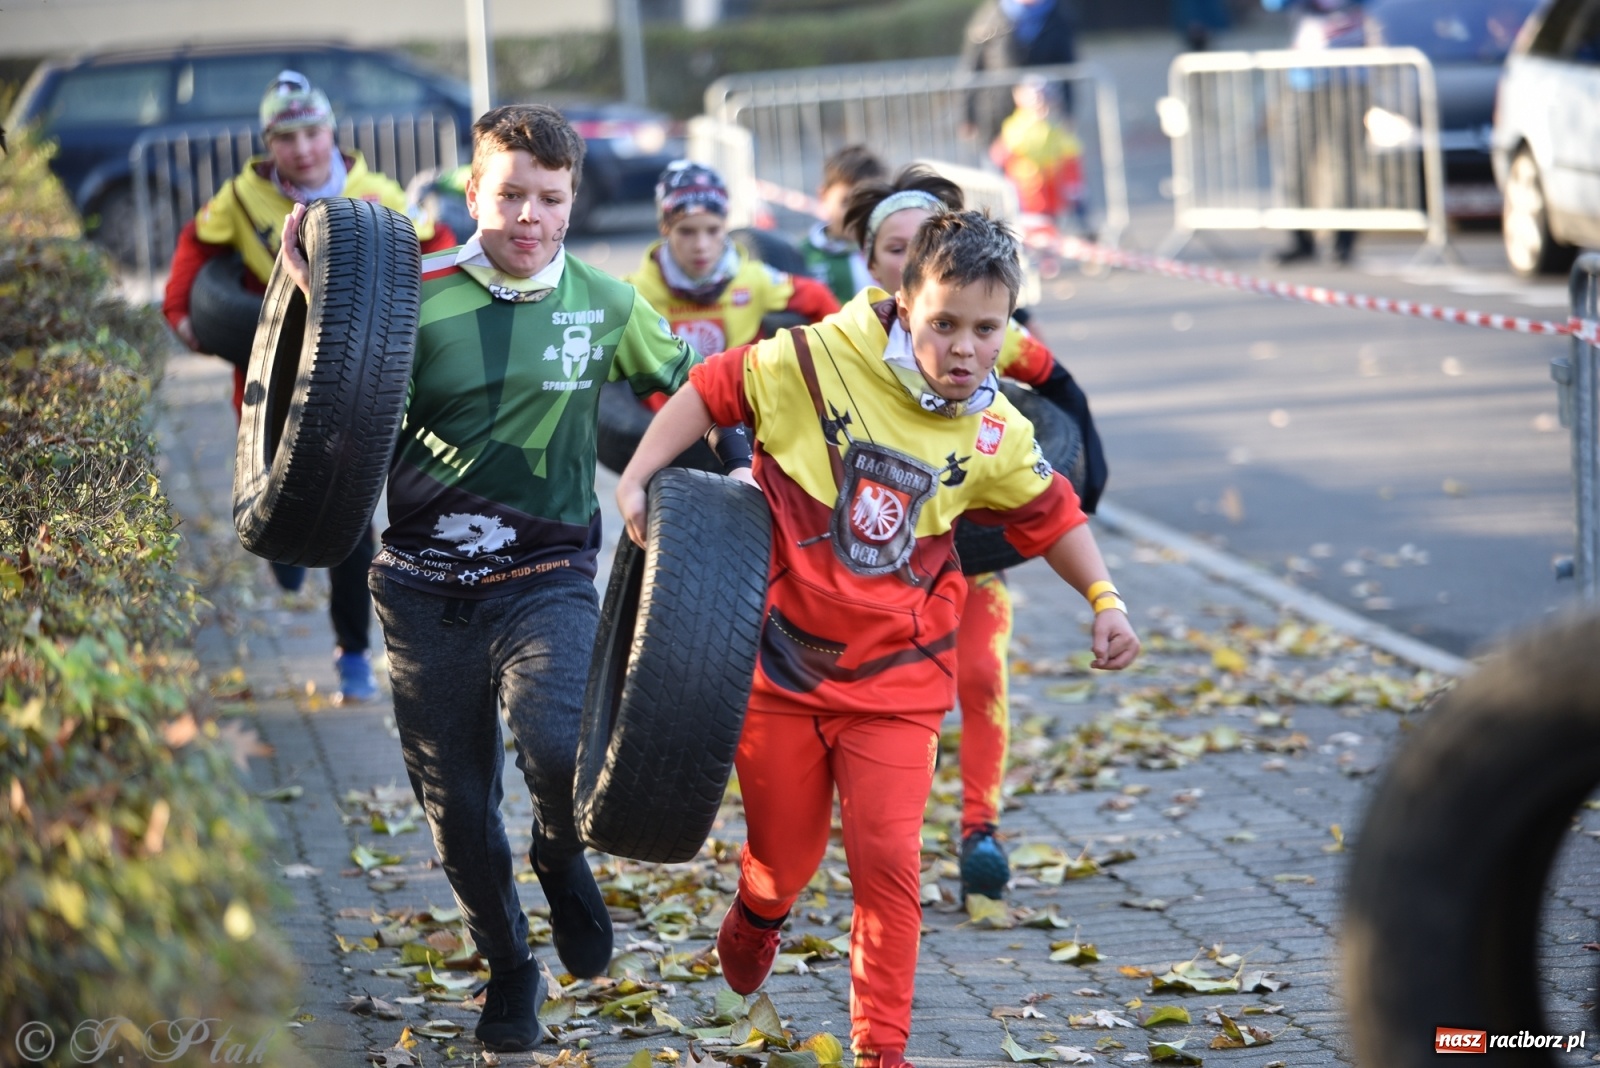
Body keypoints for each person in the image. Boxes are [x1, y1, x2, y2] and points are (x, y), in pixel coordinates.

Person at [616, 209, 1140, 1068]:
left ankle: (881, 1052)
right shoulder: (815, 361)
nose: (965, 347)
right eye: (944, 323)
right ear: (903, 304)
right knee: (786, 861)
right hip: (781, 668)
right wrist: (638, 479)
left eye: (986, 328)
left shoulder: (998, 429)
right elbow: (710, 390)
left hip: (900, 684)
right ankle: (759, 911)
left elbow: (1056, 515)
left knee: (890, 866)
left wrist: (1105, 599)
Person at [275, 103, 747, 1053]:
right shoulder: (419, 295)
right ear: (473, 193)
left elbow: (699, 387)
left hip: (548, 569)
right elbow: (333, 397)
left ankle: (561, 849)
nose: (529, 216)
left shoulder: (609, 304)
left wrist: (734, 465)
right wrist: (314, 296)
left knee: (558, 744)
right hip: (418, 587)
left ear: (572, 203)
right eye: (509, 195)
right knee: (454, 811)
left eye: (551, 198)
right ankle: (510, 965)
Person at [842, 165, 1107, 901]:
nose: (908, 256)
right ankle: (893, 843)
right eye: (895, 249)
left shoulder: (989, 328)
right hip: (876, 572)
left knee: (983, 674)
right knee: (894, 707)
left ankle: (980, 829)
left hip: (971, 554)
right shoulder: (847, 341)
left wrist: (1086, 473)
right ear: (876, 266)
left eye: (921, 241)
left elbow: (1061, 389)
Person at [162, 71, 457, 704]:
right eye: (286, 137)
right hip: (271, 381)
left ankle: (352, 653)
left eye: (313, 132)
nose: (302, 149)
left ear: (332, 132)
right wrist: (183, 314)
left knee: (349, 517)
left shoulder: (376, 195)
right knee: (276, 498)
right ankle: (281, 549)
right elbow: (195, 251)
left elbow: (440, 251)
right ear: (270, 143)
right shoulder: (242, 198)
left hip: (359, 386)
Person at [627, 160, 839, 365]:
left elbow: (818, 296)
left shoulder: (755, 279)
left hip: (736, 400)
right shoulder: (634, 294)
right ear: (665, 228)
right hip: (670, 401)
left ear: (725, 225)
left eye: (713, 230)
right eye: (686, 231)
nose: (701, 245)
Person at [1263, 0, 1367, 265]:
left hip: (1349, 80)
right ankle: (1300, 240)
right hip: (1305, 82)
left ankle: (1344, 241)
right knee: (1295, 161)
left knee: (1345, 163)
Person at [960, 0, 1080, 144]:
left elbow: (1068, 68)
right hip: (998, 121)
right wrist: (967, 116)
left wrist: (1068, 110)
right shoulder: (989, 16)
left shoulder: (1060, 16)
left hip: (1044, 124)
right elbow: (970, 68)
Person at [989, 76, 1090, 235]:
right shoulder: (1017, 126)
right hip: (1027, 194)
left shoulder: (1057, 126)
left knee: (1051, 233)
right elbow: (1001, 153)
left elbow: (1071, 152)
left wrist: (1073, 185)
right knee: (1033, 234)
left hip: (1051, 192)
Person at [799, 144, 888, 303]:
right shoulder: (802, 255)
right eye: (846, 202)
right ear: (823, 196)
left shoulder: (892, 251)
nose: (857, 213)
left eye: (868, 202)